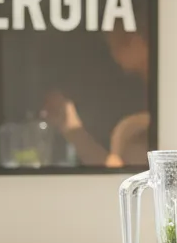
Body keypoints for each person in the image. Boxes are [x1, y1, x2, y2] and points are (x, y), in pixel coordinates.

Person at [42, 27, 152, 168]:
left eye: (122, 36)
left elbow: (124, 177)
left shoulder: (136, 127)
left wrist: (74, 131)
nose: (112, 43)